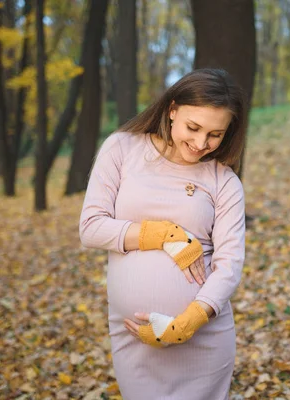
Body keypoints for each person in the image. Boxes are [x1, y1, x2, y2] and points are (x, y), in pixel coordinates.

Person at [79, 68, 247, 399]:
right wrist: (164, 235)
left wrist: (186, 325)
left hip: (204, 340)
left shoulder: (224, 181)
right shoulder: (122, 149)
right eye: (193, 127)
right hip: (136, 339)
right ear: (172, 111)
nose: (201, 143)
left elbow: (229, 265)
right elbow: (91, 227)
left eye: (215, 134)